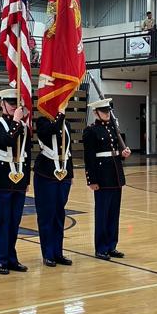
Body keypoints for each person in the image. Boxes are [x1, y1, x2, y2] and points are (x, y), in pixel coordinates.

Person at [0, 88, 31, 275]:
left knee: (15, 221)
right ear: (2, 104)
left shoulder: (24, 126)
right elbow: (5, 141)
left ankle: (12, 258)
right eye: (11, 104)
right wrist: (16, 122)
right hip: (3, 177)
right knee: (2, 220)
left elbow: (27, 154)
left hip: (20, 177)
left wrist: (27, 179)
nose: (15, 107)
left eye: (16, 104)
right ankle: (0, 259)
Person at [82, 98, 131, 261]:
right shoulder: (91, 131)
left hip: (116, 175)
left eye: (108, 111)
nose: (107, 114)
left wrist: (123, 154)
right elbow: (89, 158)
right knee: (102, 214)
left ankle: (111, 245)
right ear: (96, 113)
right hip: (102, 177)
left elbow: (116, 151)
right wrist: (92, 180)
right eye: (104, 112)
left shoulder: (113, 128)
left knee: (113, 214)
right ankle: (101, 248)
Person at [34, 109, 73, 267]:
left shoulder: (66, 124)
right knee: (47, 215)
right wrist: (60, 115)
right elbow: (50, 131)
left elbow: (67, 149)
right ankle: (48, 253)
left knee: (59, 215)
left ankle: (58, 252)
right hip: (46, 174)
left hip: (63, 175)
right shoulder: (42, 122)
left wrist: (70, 174)